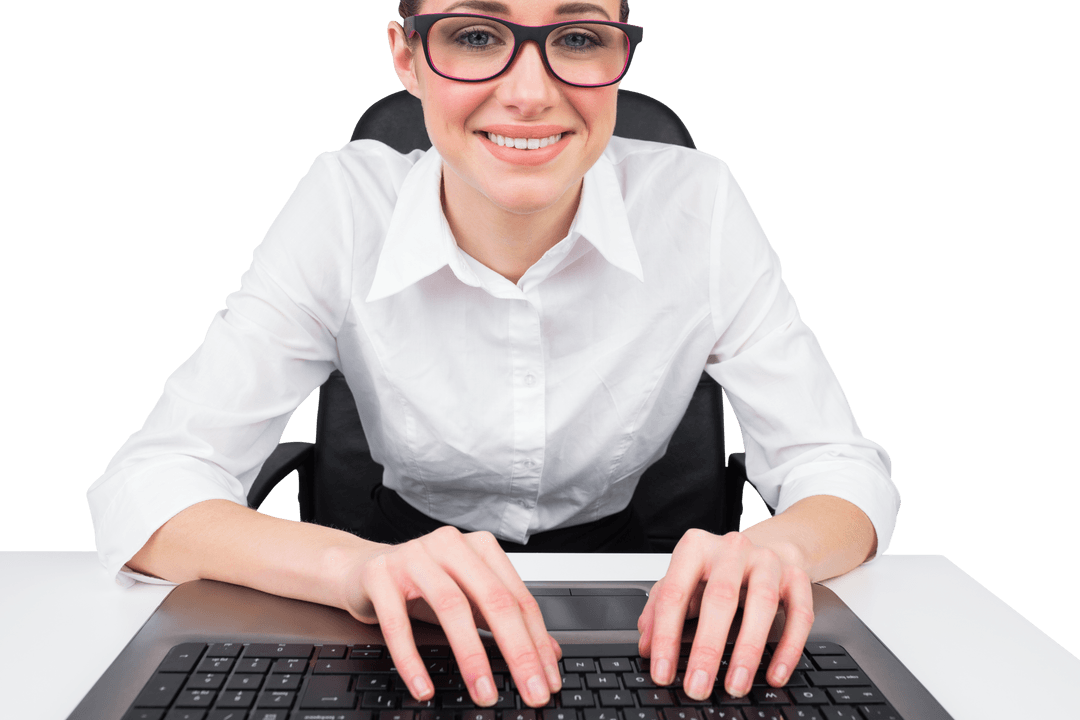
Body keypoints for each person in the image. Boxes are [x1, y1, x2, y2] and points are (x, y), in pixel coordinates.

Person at [87, 0, 900, 710]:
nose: (531, 90)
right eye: (475, 36)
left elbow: (838, 465)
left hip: (642, 608)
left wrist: (774, 551)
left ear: (620, 56)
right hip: (393, 599)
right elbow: (149, 488)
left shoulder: (700, 204)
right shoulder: (343, 205)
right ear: (407, 57)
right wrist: (351, 570)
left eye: (578, 38)